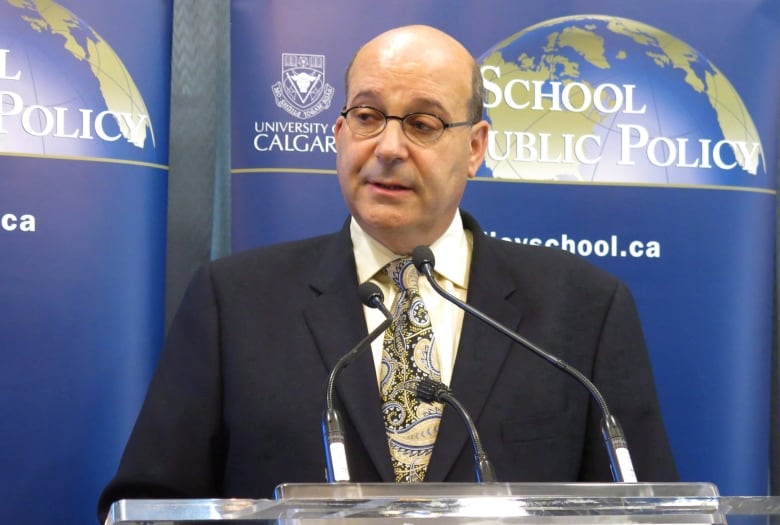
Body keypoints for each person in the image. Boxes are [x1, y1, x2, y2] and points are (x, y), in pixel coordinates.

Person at [98, 24, 677, 521]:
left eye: (423, 124)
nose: (389, 147)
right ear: (339, 133)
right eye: (368, 116)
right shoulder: (235, 301)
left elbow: (644, 509)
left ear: (475, 148)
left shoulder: (583, 309)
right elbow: (151, 504)